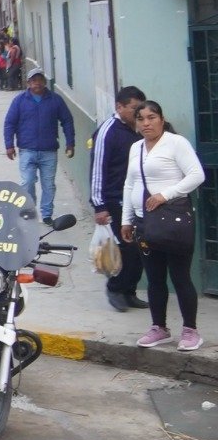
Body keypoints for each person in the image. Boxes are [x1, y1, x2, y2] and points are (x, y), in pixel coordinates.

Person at [122, 100, 205, 352]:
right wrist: (126, 219)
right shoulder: (136, 148)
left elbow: (197, 175)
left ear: (161, 119)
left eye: (151, 117)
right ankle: (159, 328)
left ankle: (190, 331)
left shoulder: (176, 143)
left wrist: (164, 195)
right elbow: (129, 184)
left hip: (172, 221)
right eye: (141, 119)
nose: (146, 123)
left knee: (180, 276)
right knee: (155, 278)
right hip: (144, 222)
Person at [92, 86, 149, 313]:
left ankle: (129, 292)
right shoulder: (108, 131)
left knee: (141, 248)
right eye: (134, 109)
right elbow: (97, 170)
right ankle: (115, 289)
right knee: (126, 248)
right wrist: (99, 206)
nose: (138, 114)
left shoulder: (137, 130)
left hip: (138, 200)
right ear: (119, 107)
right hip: (115, 201)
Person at [3, 68, 75, 225]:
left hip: (49, 151)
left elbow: (67, 121)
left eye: (40, 80)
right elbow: (9, 123)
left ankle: (47, 214)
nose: (37, 83)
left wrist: (70, 143)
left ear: (44, 82)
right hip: (27, 150)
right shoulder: (20, 101)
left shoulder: (55, 100)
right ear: (28, 83)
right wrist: (9, 145)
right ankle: (29, 210)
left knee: (48, 185)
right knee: (27, 182)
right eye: (34, 80)